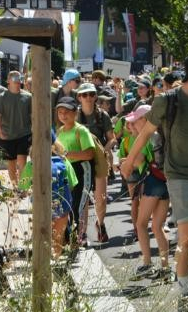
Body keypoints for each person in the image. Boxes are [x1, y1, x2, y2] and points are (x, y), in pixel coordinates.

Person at [121, 51, 188, 312]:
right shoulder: (167, 100)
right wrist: (129, 161)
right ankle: (183, 295)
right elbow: (146, 132)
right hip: (179, 176)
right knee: (186, 238)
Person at [122, 104, 171, 280]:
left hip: (152, 182)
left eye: (135, 121)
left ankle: (147, 263)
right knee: (157, 226)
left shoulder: (145, 137)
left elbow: (138, 161)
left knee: (141, 224)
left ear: (145, 119)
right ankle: (165, 268)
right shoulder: (160, 134)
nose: (132, 125)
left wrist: (126, 162)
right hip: (165, 181)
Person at [54, 97, 97, 248]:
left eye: (67, 112)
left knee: (78, 205)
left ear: (75, 113)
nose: (63, 115)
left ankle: (77, 238)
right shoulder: (59, 131)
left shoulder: (81, 131)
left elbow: (89, 153)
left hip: (81, 170)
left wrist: (67, 154)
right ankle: (69, 239)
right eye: (60, 112)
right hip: (66, 171)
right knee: (67, 204)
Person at [76, 82, 115, 243]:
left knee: (101, 198)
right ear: (79, 97)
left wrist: (103, 151)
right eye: (84, 95)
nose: (88, 98)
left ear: (95, 97)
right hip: (82, 159)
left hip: (99, 159)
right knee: (83, 197)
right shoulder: (75, 115)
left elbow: (112, 139)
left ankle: (100, 224)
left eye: (91, 94)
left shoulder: (102, 115)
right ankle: (82, 232)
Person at [0, 71, 33, 190]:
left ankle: (23, 188)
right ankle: (15, 187)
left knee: (22, 161)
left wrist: (34, 130)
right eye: (14, 78)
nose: (17, 80)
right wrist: (0, 131)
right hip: (8, 135)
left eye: (19, 78)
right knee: (11, 163)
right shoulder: (2, 97)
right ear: (8, 81)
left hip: (24, 134)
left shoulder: (28, 97)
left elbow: (32, 115)